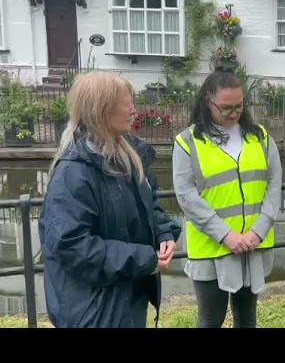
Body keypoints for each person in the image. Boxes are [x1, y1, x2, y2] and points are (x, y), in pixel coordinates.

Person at [38, 72, 182, 328]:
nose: (135, 110)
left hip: (126, 303)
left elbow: (149, 205)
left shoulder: (128, 157)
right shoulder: (73, 173)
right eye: (127, 104)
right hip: (95, 312)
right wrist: (144, 260)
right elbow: (72, 246)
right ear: (101, 110)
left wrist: (164, 233)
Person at [172, 66, 282, 328]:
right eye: (226, 108)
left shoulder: (261, 137)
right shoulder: (187, 143)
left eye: (239, 106)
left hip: (252, 245)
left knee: (247, 319)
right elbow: (187, 196)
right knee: (211, 319)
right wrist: (226, 235)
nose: (234, 113)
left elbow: (274, 186)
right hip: (212, 248)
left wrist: (257, 232)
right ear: (207, 103)